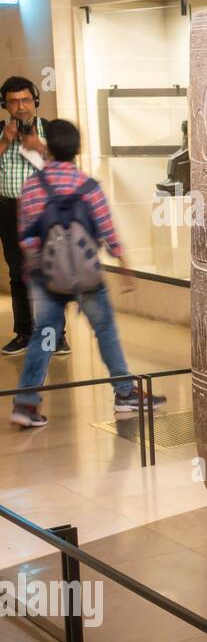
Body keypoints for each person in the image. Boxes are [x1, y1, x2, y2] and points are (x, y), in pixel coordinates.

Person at [9, 119, 164, 428]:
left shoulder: (32, 187)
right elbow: (108, 232)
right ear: (77, 149)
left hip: (45, 277)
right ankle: (124, 394)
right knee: (104, 330)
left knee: (46, 337)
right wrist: (125, 268)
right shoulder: (88, 186)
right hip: (86, 278)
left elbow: (26, 237)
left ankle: (25, 404)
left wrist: (38, 264)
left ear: (49, 148)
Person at [0, 76, 69, 356]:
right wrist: (5, 142)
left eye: (26, 99)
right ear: (5, 105)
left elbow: (67, 171)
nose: (21, 106)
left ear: (35, 101)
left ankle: (56, 336)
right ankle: (25, 333)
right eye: (14, 101)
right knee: (17, 273)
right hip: (8, 209)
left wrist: (40, 148)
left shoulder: (52, 130)